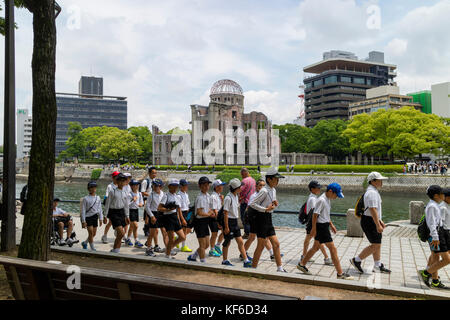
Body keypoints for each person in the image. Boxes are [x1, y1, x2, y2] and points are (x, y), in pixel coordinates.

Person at [297, 183, 354, 280]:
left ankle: (302, 264)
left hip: (324, 225)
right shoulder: (322, 200)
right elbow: (315, 215)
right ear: (330, 191)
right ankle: (340, 273)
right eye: (336, 195)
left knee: (315, 248)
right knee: (333, 249)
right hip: (321, 227)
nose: (336, 197)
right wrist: (314, 229)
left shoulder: (327, 199)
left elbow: (325, 214)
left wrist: (331, 225)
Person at [350, 172, 391, 274]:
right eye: (380, 180)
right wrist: (377, 225)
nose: (382, 182)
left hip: (370, 219)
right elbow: (372, 210)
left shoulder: (372, 191)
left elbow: (374, 210)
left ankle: (377, 265)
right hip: (370, 221)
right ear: (373, 181)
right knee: (376, 245)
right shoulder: (372, 193)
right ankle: (357, 260)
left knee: (377, 244)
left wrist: (379, 221)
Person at [249, 167, 287, 272]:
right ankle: (253, 269)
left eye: (278, 179)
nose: (278, 181)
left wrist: (275, 202)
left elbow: (272, 200)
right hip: (261, 219)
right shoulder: (264, 191)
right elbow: (252, 204)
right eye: (276, 178)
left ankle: (280, 268)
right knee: (260, 246)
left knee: (276, 244)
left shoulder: (273, 190)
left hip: (268, 219)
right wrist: (265, 209)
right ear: (269, 179)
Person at [418, 185, 450, 289]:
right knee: (446, 259)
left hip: (438, 233)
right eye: (442, 194)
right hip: (436, 234)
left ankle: (434, 280)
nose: (443, 196)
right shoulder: (433, 206)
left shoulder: (435, 204)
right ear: (436, 195)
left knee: (435, 256)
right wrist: (436, 238)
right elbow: (432, 224)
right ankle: (426, 272)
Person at [221, 178, 252, 268]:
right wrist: (226, 227)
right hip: (229, 222)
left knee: (240, 241)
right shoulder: (228, 198)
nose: (241, 188)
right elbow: (225, 213)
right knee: (227, 242)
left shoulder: (235, 196)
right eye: (240, 187)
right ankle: (224, 260)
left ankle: (246, 260)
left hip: (235, 222)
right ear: (236, 188)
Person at [301, 181, 332, 266]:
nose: (319, 189)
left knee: (313, 240)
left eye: (319, 187)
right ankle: (326, 258)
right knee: (318, 241)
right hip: (313, 223)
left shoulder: (313, 197)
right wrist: (315, 227)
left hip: (311, 223)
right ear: (312, 189)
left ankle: (304, 256)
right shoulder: (313, 199)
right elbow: (315, 214)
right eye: (317, 188)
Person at [243, 179, 274, 260]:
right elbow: (251, 207)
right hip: (254, 219)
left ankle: (272, 254)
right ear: (256, 186)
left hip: (260, 219)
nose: (262, 187)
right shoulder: (254, 196)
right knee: (252, 237)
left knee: (263, 237)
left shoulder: (264, 194)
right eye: (260, 185)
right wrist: (266, 209)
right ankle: (242, 253)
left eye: (264, 185)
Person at [157, 179, 186, 259]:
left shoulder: (177, 197)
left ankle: (168, 249)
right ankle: (168, 255)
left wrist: (180, 220)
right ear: (169, 186)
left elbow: (178, 209)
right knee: (171, 238)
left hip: (174, 217)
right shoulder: (166, 195)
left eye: (176, 186)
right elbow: (159, 208)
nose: (175, 187)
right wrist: (167, 209)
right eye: (173, 185)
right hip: (168, 217)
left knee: (182, 237)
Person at [188, 177, 214, 263]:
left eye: (207, 185)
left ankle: (193, 256)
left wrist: (210, 213)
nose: (206, 187)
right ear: (200, 186)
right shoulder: (200, 197)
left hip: (205, 221)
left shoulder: (208, 196)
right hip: (199, 222)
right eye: (204, 185)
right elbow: (199, 212)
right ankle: (203, 262)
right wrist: (209, 214)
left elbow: (210, 208)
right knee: (202, 245)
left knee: (206, 245)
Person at [104, 173, 130, 253]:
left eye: (123, 181)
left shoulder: (125, 192)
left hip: (121, 212)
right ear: (117, 181)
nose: (122, 183)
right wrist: (105, 215)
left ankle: (116, 249)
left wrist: (127, 216)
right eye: (120, 181)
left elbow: (126, 205)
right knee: (121, 233)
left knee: (121, 234)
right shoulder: (112, 191)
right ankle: (115, 250)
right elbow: (107, 204)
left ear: (125, 182)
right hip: (113, 213)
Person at [81, 181, 106, 251]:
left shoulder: (98, 198)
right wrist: (83, 221)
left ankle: (85, 242)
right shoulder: (85, 198)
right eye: (91, 187)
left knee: (93, 234)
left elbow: (100, 209)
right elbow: (83, 210)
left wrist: (101, 218)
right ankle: (92, 247)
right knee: (91, 232)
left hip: (95, 217)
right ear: (89, 189)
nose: (93, 188)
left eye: (94, 187)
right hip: (88, 217)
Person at [144, 179, 165, 256]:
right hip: (153, 213)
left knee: (163, 232)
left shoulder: (163, 194)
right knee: (152, 233)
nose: (156, 187)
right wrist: (151, 216)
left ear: (161, 187)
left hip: (161, 214)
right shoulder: (151, 195)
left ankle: (164, 248)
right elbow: (147, 207)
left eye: (158, 186)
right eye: (154, 185)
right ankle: (148, 249)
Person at [209, 179, 227, 257]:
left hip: (219, 217)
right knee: (214, 234)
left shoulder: (218, 195)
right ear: (216, 187)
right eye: (220, 186)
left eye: (222, 185)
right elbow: (214, 210)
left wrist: (222, 200)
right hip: (214, 218)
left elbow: (220, 207)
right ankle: (212, 250)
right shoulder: (213, 196)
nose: (222, 187)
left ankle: (217, 245)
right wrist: (218, 222)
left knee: (224, 232)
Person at [125, 179, 144, 248]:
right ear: (131, 186)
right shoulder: (129, 194)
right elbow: (127, 205)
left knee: (132, 226)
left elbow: (141, 202)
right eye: (134, 185)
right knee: (135, 226)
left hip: (136, 210)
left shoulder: (139, 193)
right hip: (130, 211)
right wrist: (133, 200)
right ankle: (136, 240)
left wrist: (141, 204)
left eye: (137, 185)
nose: (136, 186)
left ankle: (128, 239)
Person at [101, 171, 120, 244]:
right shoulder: (110, 186)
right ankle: (105, 235)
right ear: (113, 178)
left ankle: (118, 234)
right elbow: (106, 197)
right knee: (110, 222)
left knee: (119, 222)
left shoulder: (120, 185)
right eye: (116, 177)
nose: (117, 179)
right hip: (111, 207)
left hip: (118, 206)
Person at [239, 168, 256, 239]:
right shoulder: (253, 180)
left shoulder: (244, 181)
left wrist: (239, 197)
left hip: (245, 202)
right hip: (252, 202)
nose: (241, 176)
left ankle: (247, 233)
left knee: (244, 218)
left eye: (242, 174)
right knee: (251, 218)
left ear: (244, 173)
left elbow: (240, 190)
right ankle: (252, 233)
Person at [141, 167, 158, 237]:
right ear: (149, 173)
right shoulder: (145, 182)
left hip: (154, 200)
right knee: (147, 215)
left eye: (155, 173)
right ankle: (146, 228)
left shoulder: (155, 181)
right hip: (147, 199)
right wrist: (150, 195)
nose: (155, 174)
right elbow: (142, 192)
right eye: (153, 173)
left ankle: (150, 228)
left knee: (152, 213)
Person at [177, 179, 193, 252]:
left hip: (187, 212)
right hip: (182, 213)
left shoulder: (186, 194)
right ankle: (183, 246)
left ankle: (178, 238)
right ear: (181, 186)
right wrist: (182, 218)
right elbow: (179, 209)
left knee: (188, 229)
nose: (187, 186)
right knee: (184, 229)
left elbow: (188, 204)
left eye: (187, 185)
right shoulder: (179, 195)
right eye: (185, 185)